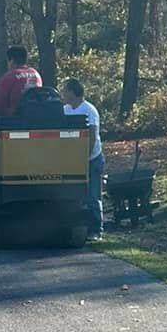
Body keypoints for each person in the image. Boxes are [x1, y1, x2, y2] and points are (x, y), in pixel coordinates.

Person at [62, 76, 105, 237]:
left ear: (73, 92)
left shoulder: (89, 110)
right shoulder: (65, 110)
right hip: (73, 161)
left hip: (92, 159)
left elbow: (92, 137)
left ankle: (96, 230)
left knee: (93, 196)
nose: (63, 94)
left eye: (65, 90)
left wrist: (84, 157)